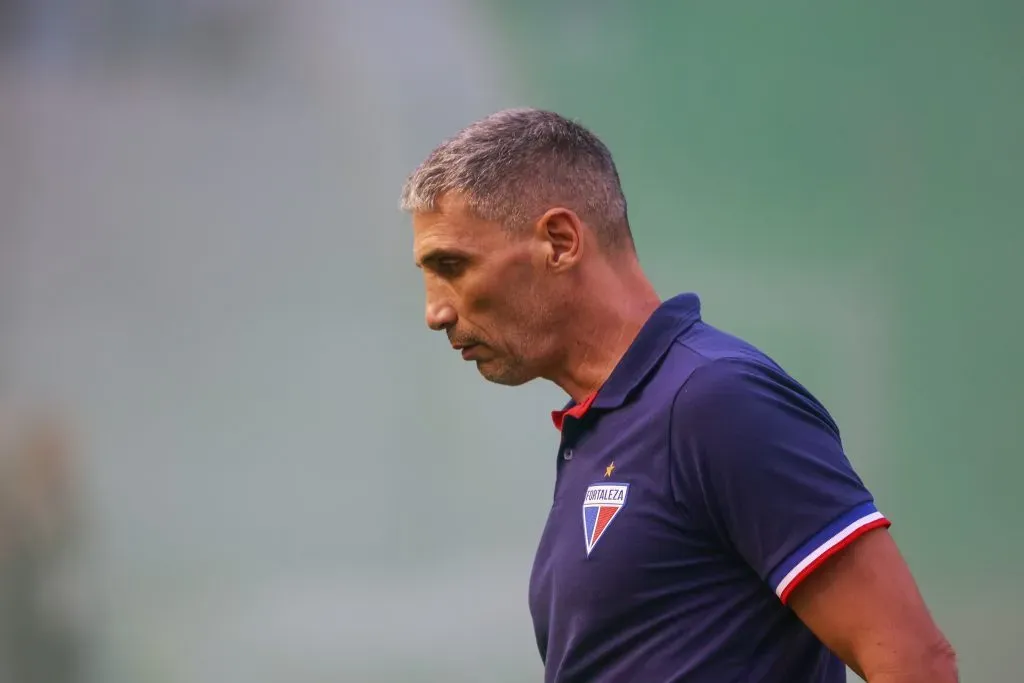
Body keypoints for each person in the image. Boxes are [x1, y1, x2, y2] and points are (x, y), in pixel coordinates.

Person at [399, 108, 957, 683]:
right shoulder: (604, 425)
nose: (435, 312)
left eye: (453, 266)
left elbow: (913, 659)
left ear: (560, 242)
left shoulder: (716, 400)